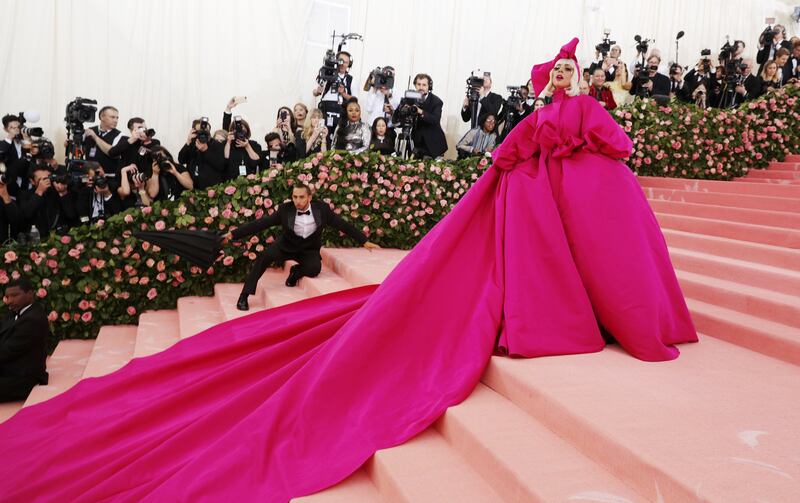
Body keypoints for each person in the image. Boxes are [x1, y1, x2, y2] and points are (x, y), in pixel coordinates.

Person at [0, 38, 696, 502]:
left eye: (573, 75)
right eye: (561, 75)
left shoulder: (590, 114)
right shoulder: (540, 115)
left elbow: (607, 144)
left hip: (586, 208)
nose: (567, 81)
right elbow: (510, 157)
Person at [223, 183, 379, 311]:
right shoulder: (285, 210)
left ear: (309, 197)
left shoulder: (321, 210)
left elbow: (341, 224)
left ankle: (295, 273)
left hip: (308, 249)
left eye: (301, 197)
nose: (297, 201)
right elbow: (260, 224)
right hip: (286, 246)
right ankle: (244, 295)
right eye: (294, 197)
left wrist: (363, 240)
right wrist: (234, 234)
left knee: (314, 269)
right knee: (264, 257)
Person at [0, 278, 49, 403]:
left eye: (15, 295)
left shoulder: (33, 319)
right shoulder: (14, 312)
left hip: (23, 378)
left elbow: (8, 351)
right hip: (8, 369)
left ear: (30, 294)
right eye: (7, 296)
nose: (10, 301)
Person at [399, 73, 447, 159]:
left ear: (429, 86)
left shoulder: (436, 101)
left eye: (424, 85)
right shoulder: (410, 98)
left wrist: (420, 111)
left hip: (432, 145)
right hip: (416, 144)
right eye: (418, 84)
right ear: (415, 85)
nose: (421, 87)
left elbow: (435, 119)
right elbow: (399, 119)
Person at [313, 51, 355, 145]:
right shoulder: (327, 73)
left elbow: (354, 99)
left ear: (349, 64)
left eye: (346, 62)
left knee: (340, 138)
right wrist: (318, 90)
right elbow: (315, 92)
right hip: (326, 109)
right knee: (323, 137)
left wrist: (343, 93)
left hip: (341, 110)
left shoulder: (350, 79)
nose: (343, 64)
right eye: (341, 61)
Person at [82, 106, 123, 175]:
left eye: (117, 118)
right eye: (112, 117)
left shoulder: (120, 135)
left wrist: (95, 137)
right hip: (89, 176)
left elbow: (112, 152)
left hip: (109, 177)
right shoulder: (90, 130)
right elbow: (80, 149)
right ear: (102, 117)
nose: (116, 120)